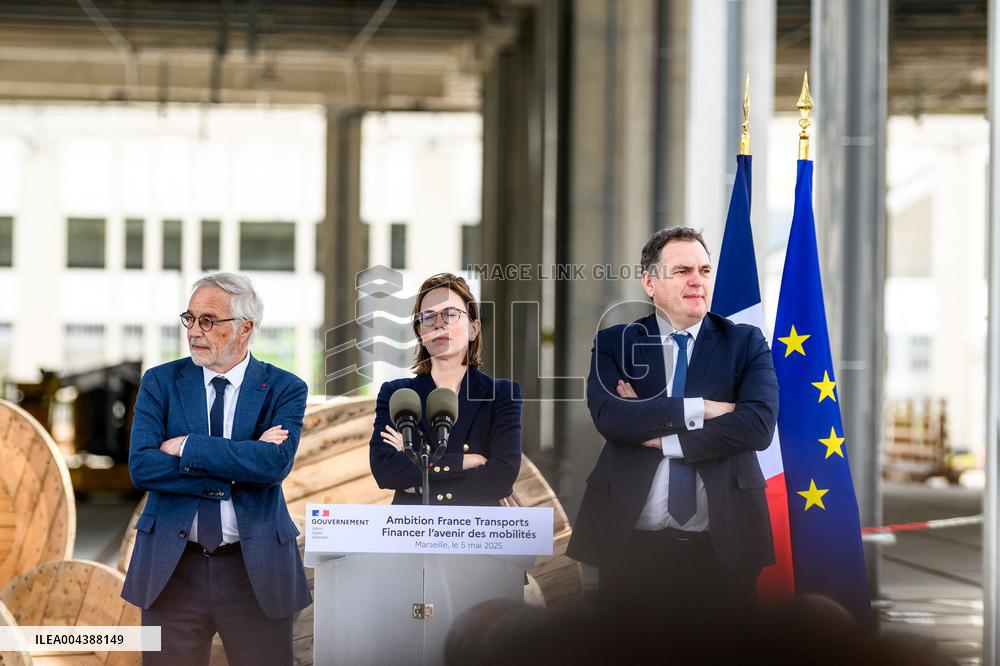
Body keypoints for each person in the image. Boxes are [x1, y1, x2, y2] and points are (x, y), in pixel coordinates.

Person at [567, 227, 779, 619]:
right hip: (630, 545)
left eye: (704, 269)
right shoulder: (616, 342)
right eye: (682, 271)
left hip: (723, 547)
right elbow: (612, 417)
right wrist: (707, 408)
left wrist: (662, 436)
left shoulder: (745, 342)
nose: (697, 280)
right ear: (649, 281)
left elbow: (758, 425)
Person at [122, 272, 311, 666]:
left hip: (253, 568)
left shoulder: (285, 388)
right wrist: (241, 461)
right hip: (172, 569)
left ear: (245, 329)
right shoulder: (161, 382)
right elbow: (143, 467)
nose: (194, 330)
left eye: (208, 320)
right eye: (189, 318)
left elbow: (274, 464)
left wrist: (189, 447)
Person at [370, 272, 522, 506]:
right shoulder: (397, 395)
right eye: (428, 317)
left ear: (473, 328)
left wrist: (419, 484)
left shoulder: (501, 394)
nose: (439, 323)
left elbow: (501, 476)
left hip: (477, 531)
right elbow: (386, 470)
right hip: (412, 531)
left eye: (450, 314)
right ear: (420, 332)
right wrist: (468, 461)